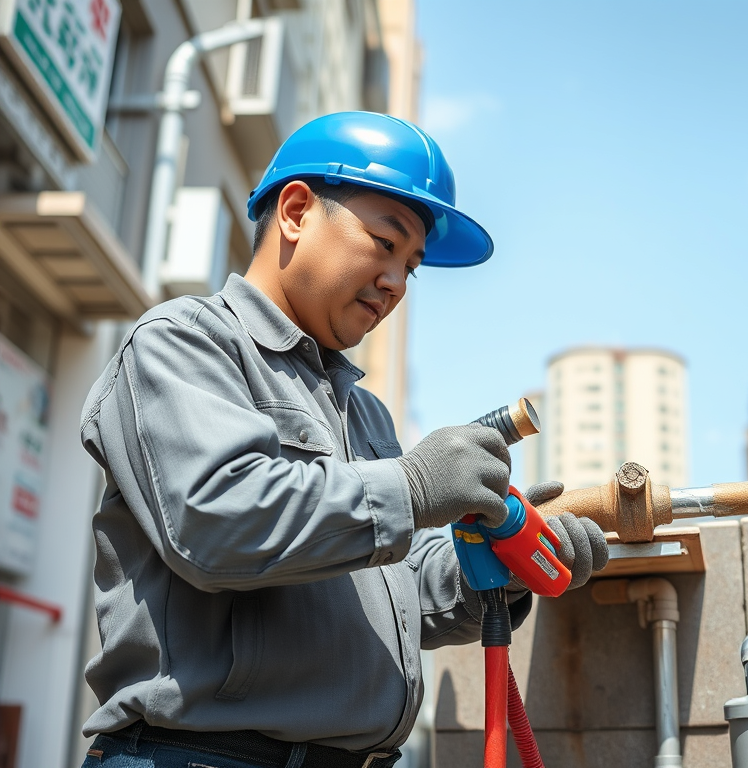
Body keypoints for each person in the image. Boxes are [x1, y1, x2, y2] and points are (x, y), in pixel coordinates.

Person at [78, 112, 608, 768]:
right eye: (386, 243)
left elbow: (393, 597)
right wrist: (412, 487)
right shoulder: (184, 342)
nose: (396, 282)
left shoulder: (364, 414)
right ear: (297, 211)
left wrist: (500, 571)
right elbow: (214, 522)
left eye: (412, 266)